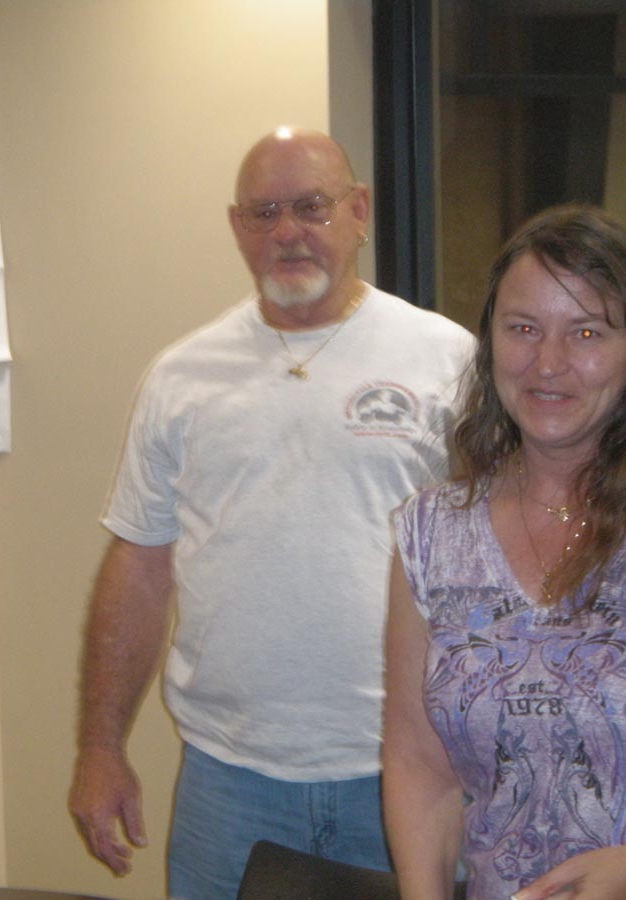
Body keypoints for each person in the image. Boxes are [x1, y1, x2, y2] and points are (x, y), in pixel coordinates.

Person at [68, 126, 475, 900]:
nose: (288, 231)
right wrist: (100, 749)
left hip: (409, 770)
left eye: (312, 206)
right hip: (229, 783)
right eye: (264, 213)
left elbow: (502, 562)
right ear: (237, 228)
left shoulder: (448, 360)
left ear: (359, 211)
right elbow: (140, 570)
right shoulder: (182, 377)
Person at [385, 205, 626, 900]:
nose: (548, 363)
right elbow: (419, 766)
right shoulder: (430, 535)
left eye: (587, 331)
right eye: (523, 328)